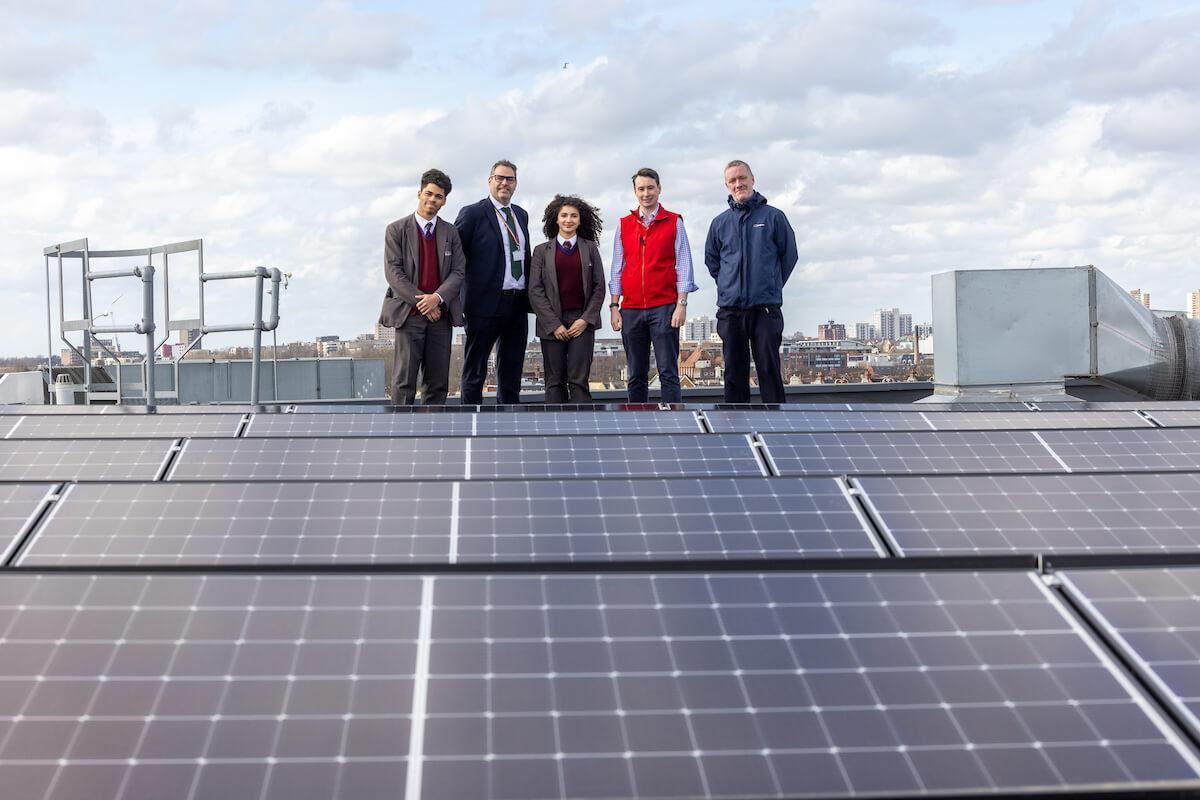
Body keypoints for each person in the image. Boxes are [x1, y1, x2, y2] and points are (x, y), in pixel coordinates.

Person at [704, 159, 799, 403]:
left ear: (752, 179)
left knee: (769, 371)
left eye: (742, 178)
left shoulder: (774, 217)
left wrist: (770, 285)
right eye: (732, 181)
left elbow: (789, 256)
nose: (738, 184)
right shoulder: (719, 223)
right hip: (731, 311)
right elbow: (713, 262)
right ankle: (736, 435)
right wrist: (730, 286)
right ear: (727, 186)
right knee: (734, 374)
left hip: (765, 310)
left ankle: (777, 431)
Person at [609, 167, 698, 404]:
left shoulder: (674, 222)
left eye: (650, 188)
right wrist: (614, 306)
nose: (646, 193)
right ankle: (637, 425)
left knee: (668, 372)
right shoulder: (624, 224)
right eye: (641, 189)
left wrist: (682, 304)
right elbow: (617, 268)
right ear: (635, 191)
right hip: (632, 310)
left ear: (659, 189)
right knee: (636, 374)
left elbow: (684, 265)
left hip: (664, 308)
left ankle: (674, 425)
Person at [379, 168, 465, 405]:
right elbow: (393, 274)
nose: (432, 199)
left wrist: (437, 298)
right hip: (409, 316)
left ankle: (433, 438)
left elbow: (458, 272)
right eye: (429, 193)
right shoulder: (396, 230)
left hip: (440, 317)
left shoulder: (451, 232)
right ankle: (399, 437)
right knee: (404, 381)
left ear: (444, 201)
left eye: (438, 196)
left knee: (437, 383)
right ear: (419, 193)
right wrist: (425, 302)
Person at [454, 159, 533, 405]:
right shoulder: (473, 213)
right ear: (490, 181)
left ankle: (509, 427)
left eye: (509, 179)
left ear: (516, 184)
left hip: (517, 304)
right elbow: (456, 257)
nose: (504, 183)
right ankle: (472, 425)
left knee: (511, 372)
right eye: (499, 178)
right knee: (475, 371)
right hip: (484, 305)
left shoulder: (521, 214)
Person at [528, 195, 606, 403]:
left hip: (581, 322)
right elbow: (535, 290)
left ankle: (582, 432)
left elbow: (599, 288)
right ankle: (554, 433)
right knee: (554, 383)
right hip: (551, 323)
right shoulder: (541, 251)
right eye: (564, 215)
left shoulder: (590, 249)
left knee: (579, 381)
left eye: (573, 216)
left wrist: (585, 320)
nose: (568, 220)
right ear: (556, 219)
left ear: (580, 220)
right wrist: (554, 324)